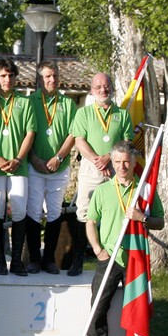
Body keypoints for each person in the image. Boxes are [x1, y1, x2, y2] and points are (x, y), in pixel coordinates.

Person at [81, 141, 163, 336]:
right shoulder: (104, 190)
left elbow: (160, 221)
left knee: (138, 308)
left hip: (135, 260)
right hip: (109, 258)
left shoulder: (145, 191)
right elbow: (91, 222)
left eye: (126, 161)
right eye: (117, 162)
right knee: (98, 306)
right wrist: (97, 249)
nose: (122, 166)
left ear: (134, 161)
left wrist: (142, 218)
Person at [69, 72, 133, 275]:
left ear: (111, 88)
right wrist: (97, 159)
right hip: (91, 167)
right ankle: (77, 260)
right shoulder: (84, 113)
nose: (103, 90)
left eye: (106, 86)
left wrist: (108, 156)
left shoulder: (122, 114)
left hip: (116, 167)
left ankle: (114, 262)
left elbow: (127, 142)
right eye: (98, 87)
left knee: (114, 212)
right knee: (85, 212)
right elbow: (79, 140)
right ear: (91, 90)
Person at [0, 58, 36, 275]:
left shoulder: (25, 102)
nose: (7, 79)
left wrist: (18, 159)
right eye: (3, 76)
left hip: (18, 166)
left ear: (15, 77)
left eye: (11, 75)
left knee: (19, 209)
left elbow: (30, 133)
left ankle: (16, 261)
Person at [24, 61, 76, 274]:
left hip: (59, 167)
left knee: (54, 211)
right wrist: (34, 158)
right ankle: (34, 259)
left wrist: (58, 157)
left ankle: (50, 260)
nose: (51, 80)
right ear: (40, 79)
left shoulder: (68, 103)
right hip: (35, 166)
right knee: (34, 210)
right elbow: (25, 134)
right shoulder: (30, 102)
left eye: (54, 75)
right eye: (47, 76)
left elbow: (73, 134)